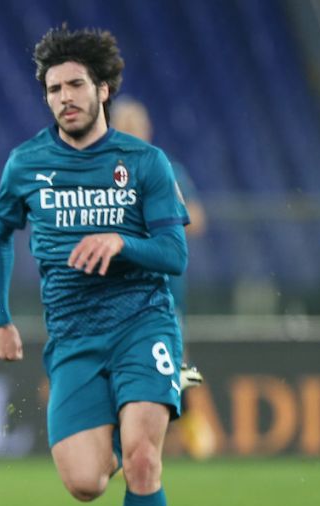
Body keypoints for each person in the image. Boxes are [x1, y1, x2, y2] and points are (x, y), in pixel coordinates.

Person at [0, 26, 191, 506]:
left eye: (75, 85)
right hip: (71, 336)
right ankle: (133, 430)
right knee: (84, 483)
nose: (64, 97)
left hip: (140, 321)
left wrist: (122, 241)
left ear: (102, 89)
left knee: (145, 460)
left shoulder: (144, 163)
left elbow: (174, 253)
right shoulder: (27, 164)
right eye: (54, 88)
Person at [111, 97, 213, 458]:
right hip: (116, 292)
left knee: (177, 362)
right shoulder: (102, 173)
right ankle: (124, 437)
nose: (130, 133)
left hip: (163, 292)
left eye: (135, 125)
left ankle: (193, 420)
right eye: (123, 125)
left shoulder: (167, 170)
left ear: (148, 130)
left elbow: (197, 219)